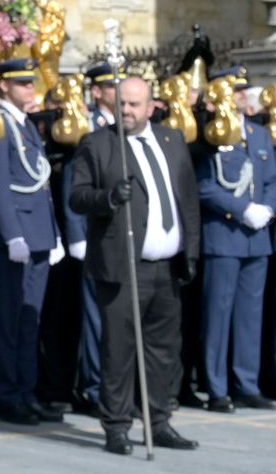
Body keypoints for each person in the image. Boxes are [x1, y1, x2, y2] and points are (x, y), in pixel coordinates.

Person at [69, 76, 202, 453]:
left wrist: (190, 252)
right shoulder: (98, 143)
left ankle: (158, 421)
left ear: (151, 106)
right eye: (121, 103)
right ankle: (116, 425)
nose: (126, 110)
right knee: (120, 348)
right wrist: (108, 197)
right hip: (123, 264)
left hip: (167, 266)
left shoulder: (171, 141)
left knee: (164, 350)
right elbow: (77, 197)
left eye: (134, 104)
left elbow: (187, 200)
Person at [0, 58, 66, 425]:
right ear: (4, 86)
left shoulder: (25, 124)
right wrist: (12, 233)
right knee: (9, 321)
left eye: (31, 83)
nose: (30, 89)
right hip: (14, 240)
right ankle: (7, 393)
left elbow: (40, 184)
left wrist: (55, 233)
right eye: (22, 84)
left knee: (30, 320)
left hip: (39, 236)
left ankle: (26, 391)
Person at [195, 66, 276, 412]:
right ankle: (216, 388)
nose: (244, 96)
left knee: (249, 316)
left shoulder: (258, 135)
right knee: (218, 314)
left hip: (256, 238)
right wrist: (241, 209)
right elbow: (204, 185)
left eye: (244, 91)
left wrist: (268, 210)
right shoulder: (212, 135)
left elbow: (272, 179)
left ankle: (246, 383)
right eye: (237, 91)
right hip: (225, 235)